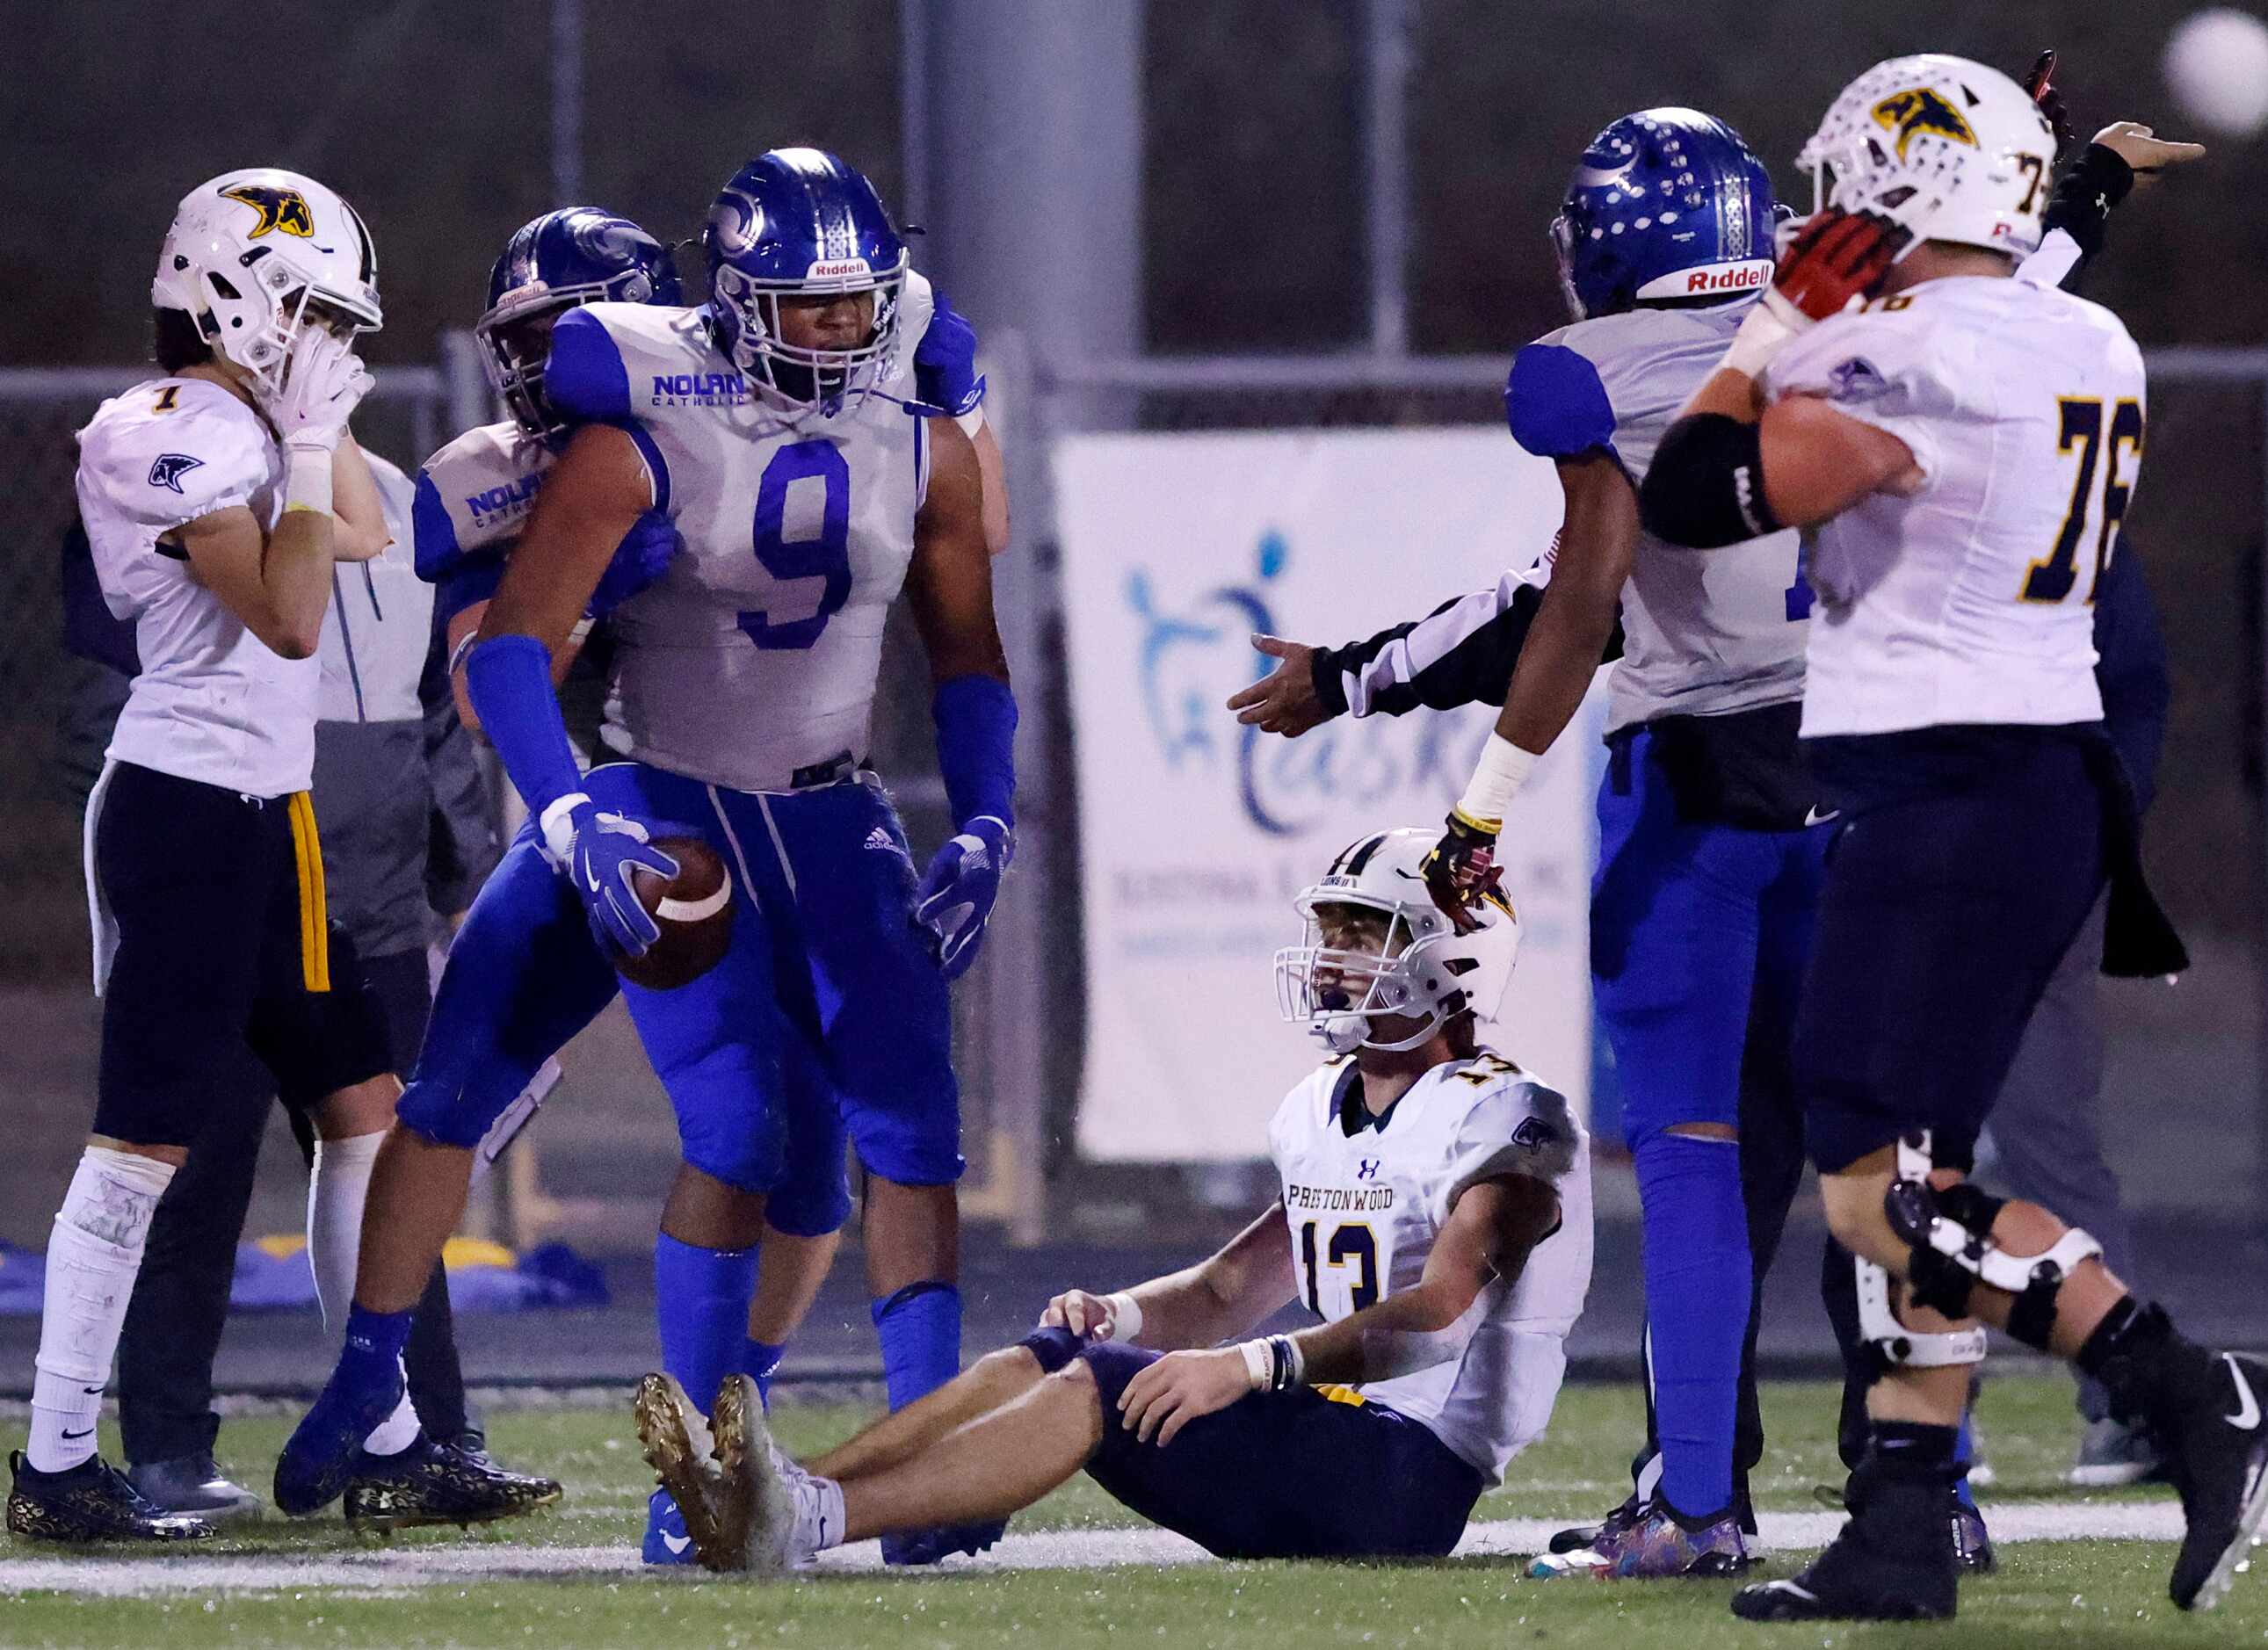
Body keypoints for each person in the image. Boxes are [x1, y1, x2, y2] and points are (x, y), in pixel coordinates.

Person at [1228, 88, 2192, 1581]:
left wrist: (1466, 796)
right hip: (1872, 771)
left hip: (1695, 789)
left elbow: (1574, 593)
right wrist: (2076, 194)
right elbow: (2026, 292)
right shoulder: (1876, 310)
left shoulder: (1595, 370)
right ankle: (1918, 1484)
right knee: (1883, 1156)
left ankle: (1694, 1501)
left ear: (1605, 247)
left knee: (1691, 1159)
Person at [276, 150, 1017, 1570]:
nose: (550, 367)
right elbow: (498, 651)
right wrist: (564, 790)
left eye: (575, 336)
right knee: (462, 1087)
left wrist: (984, 811)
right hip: (598, 796)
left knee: (810, 1153)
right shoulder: (504, 472)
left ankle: (757, 1425)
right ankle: (378, 1371)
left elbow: (923, 350)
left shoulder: (749, 416)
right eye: (528, 343)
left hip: (742, 799)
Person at [1636, 53, 2263, 1620]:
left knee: (1872, 1192)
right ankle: (1905, 1521)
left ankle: (2190, 1387)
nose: (1822, 213)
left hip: (1947, 792)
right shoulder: (2079, 331)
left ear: (1897, 191)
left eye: (1848, 184)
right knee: (1921, 1168)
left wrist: (1777, 330)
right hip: (2033, 783)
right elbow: (2018, 290)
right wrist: (2084, 196)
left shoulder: (1887, 359)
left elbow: (1698, 491)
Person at [638, 826, 1590, 1574]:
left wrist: (1249, 1369)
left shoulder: (1515, 1113)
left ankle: (809, 1522)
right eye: (1331, 934)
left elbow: (1439, 1315)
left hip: (1407, 1475)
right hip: (1327, 1435)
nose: (1335, 960)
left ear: (1453, 956)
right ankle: (772, 1496)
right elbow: (1224, 1292)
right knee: (1073, 1350)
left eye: (1366, 936)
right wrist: (1124, 1312)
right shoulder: (1321, 1107)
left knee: (1099, 1387)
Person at [8, 168, 400, 1544]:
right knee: (145, 1140)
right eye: (308, 310)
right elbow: (294, 616)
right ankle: (57, 1460)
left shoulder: (244, 425)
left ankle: (382, 1424)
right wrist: (295, 443)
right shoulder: (156, 426)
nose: (326, 343)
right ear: (232, 291)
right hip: (182, 810)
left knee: (364, 1106)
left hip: (270, 813)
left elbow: (369, 528)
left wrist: (314, 427)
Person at [53, 467, 556, 1526]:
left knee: (392, 1152)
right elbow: (115, 683)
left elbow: (426, 707)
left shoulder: (383, 490)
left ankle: (417, 1436)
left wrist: (455, 875)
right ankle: (163, 1443)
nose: (325, 347)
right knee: (185, 1168)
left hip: (355, 898)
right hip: (223, 861)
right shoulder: (187, 463)